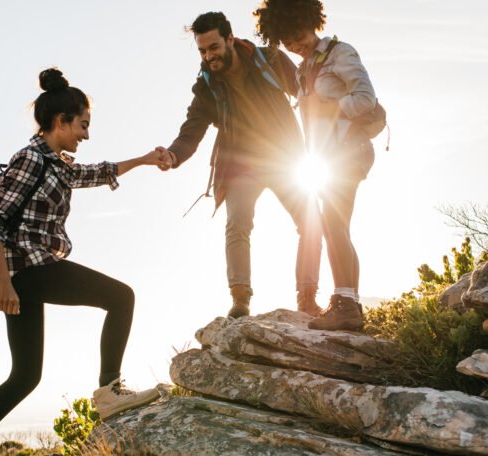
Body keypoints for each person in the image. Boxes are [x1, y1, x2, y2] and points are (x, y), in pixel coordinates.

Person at [0, 68, 162, 456]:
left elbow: (97, 172)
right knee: (121, 297)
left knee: (25, 375)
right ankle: (109, 390)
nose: (86, 135)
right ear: (61, 121)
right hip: (28, 270)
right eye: (83, 125)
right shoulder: (31, 159)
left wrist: (145, 159)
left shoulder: (58, 165)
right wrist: (4, 283)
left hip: (24, 275)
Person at [155, 11, 324, 319]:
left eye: (214, 47)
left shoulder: (268, 59)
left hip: (285, 158)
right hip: (241, 165)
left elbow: (306, 92)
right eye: (202, 51)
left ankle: (307, 297)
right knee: (237, 224)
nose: (208, 56)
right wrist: (173, 155)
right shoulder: (206, 87)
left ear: (230, 39)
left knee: (311, 219)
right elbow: (191, 130)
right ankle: (240, 300)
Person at [254, 0, 379, 330]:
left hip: (350, 150)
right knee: (337, 226)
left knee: (333, 223)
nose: (295, 45)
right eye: (287, 41)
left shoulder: (340, 53)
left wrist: (330, 108)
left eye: (297, 35)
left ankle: (346, 305)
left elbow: (366, 97)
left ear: (310, 21)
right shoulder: (302, 70)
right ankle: (349, 304)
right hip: (326, 158)